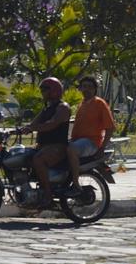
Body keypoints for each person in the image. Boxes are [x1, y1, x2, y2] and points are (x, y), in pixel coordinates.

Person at [15, 77, 71, 208]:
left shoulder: (63, 107)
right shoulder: (46, 108)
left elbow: (51, 125)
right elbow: (33, 124)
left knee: (38, 160)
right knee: (24, 155)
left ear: (54, 91)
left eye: (45, 90)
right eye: (42, 90)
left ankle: (48, 196)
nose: (42, 92)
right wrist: (18, 130)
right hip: (43, 146)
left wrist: (32, 128)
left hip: (58, 147)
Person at [67, 76, 116, 192]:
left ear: (95, 89)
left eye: (89, 87)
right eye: (84, 87)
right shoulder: (81, 104)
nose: (86, 89)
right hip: (78, 141)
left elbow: (110, 128)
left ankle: (75, 183)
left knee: (71, 149)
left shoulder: (100, 103)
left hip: (91, 143)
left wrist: (102, 148)